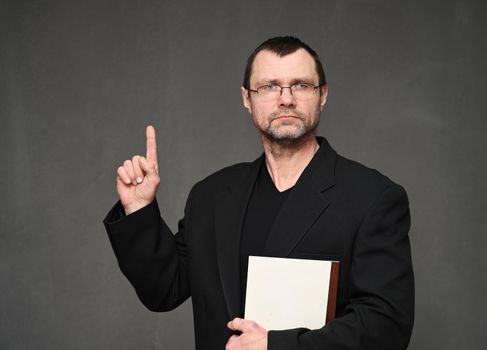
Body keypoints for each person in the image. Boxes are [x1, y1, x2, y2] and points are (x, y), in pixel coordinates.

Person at [103, 36, 414, 350]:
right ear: (246, 99)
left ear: (323, 95)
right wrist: (139, 209)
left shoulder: (373, 198)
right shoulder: (211, 196)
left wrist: (277, 346)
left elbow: (386, 325)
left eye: (301, 85)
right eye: (268, 86)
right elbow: (164, 290)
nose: (285, 99)